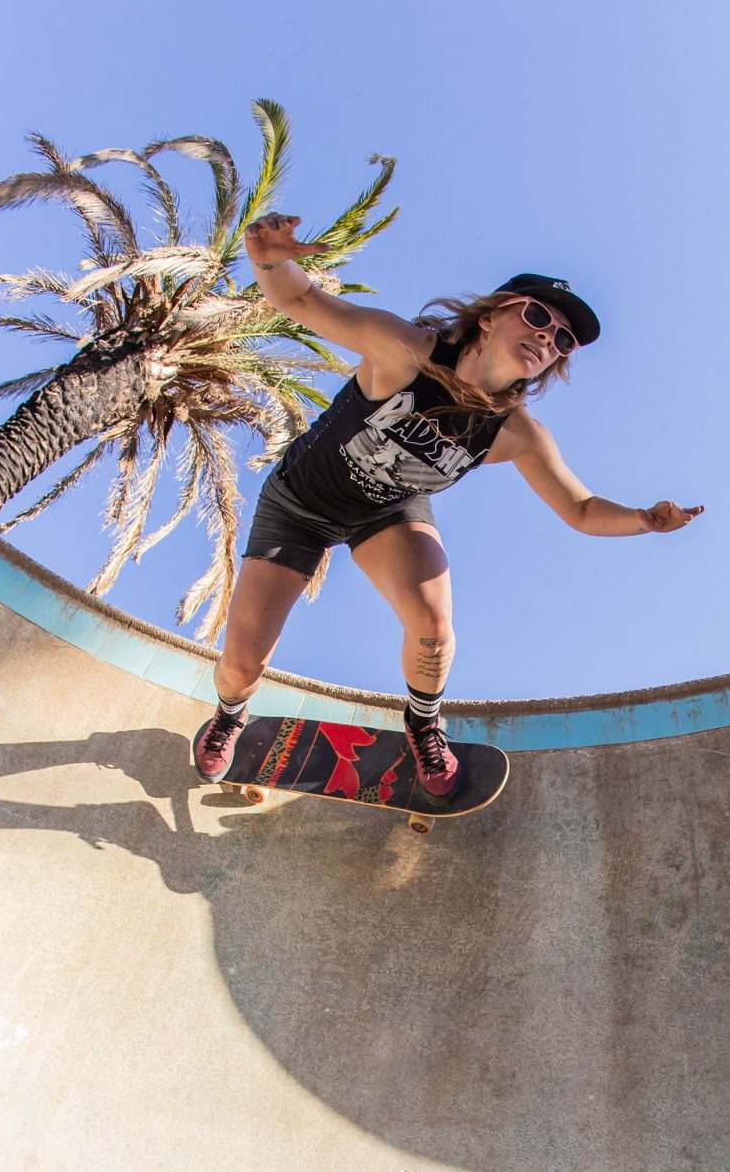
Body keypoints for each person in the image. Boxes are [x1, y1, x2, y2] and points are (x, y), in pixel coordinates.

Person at [192, 212, 702, 795]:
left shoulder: (517, 434)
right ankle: (230, 713)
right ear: (489, 317)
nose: (547, 337)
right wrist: (268, 258)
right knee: (241, 667)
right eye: (537, 317)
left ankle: (423, 722)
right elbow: (301, 300)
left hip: (388, 512)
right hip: (298, 504)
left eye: (562, 339)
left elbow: (581, 510)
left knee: (433, 628)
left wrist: (644, 521)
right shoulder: (404, 350)